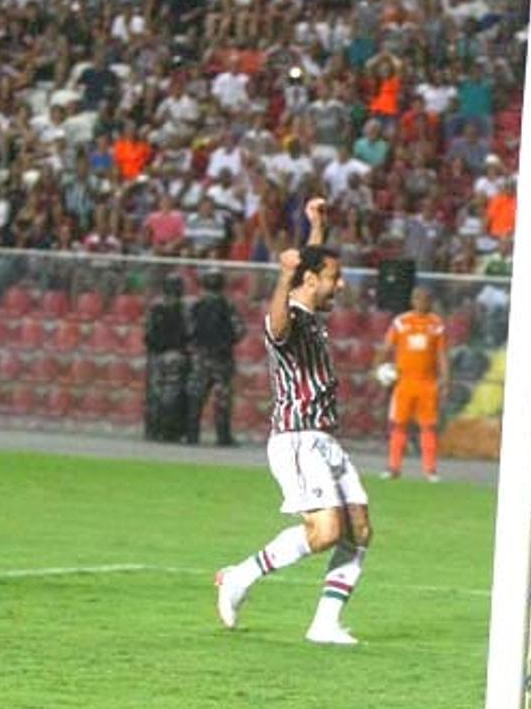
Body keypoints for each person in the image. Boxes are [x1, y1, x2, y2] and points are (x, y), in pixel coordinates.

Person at [215, 197, 371, 644]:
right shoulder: (289, 321)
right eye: (334, 278)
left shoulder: (311, 310)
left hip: (325, 439)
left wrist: (315, 228)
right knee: (325, 533)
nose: (339, 285)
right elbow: (278, 322)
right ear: (308, 281)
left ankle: (324, 624)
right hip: (297, 438)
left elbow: (308, 266)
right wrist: (284, 275)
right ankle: (240, 576)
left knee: (358, 530)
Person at [375, 286, 448, 481]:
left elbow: (442, 354)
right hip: (404, 383)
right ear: (413, 300)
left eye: (426, 299)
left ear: (430, 301)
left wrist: (446, 379)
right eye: (418, 298)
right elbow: (387, 346)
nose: (422, 302)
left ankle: (430, 470)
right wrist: (378, 367)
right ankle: (393, 467)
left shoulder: (436, 324)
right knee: (398, 425)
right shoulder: (401, 322)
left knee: (429, 426)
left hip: (428, 383)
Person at [187, 269, 241, 446]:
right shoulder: (227, 305)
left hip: (201, 358)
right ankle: (223, 436)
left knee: (197, 396)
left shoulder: (196, 305)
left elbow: (188, 330)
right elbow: (239, 330)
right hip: (222, 359)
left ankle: (192, 435)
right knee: (222, 399)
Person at [143, 273, 191, 442]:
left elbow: (147, 332)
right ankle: (172, 431)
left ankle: (153, 430)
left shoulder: (155, 306)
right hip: (176, 355)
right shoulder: (185, 307)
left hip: (156, 356)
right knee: (174, 394)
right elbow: (189, 332)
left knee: (155, 394)